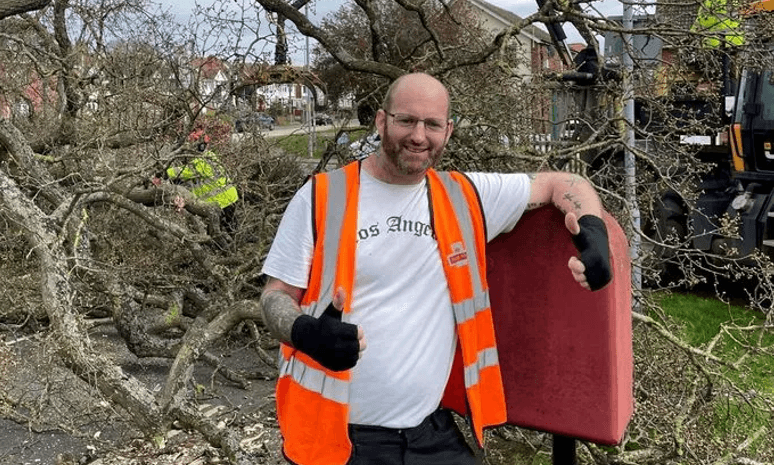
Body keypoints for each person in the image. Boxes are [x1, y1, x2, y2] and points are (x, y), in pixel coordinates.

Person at [259, 73, 612, 465]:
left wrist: (594, 234)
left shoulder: (466, 197)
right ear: (381, 121)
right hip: (339, 438)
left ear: (449, 130)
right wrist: (306, 333)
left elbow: (565, 182)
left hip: (430, 434)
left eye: (432, 124)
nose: (418, 136)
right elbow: (275, 296)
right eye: (406, 120)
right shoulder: (320, 197)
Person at [165, 130, 239, 232]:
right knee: (230, 228)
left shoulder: (201, 162)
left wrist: (165, 172)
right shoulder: (210, 156)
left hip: (221, 200)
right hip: (230, 196)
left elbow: (186, 171)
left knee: (219, 231)